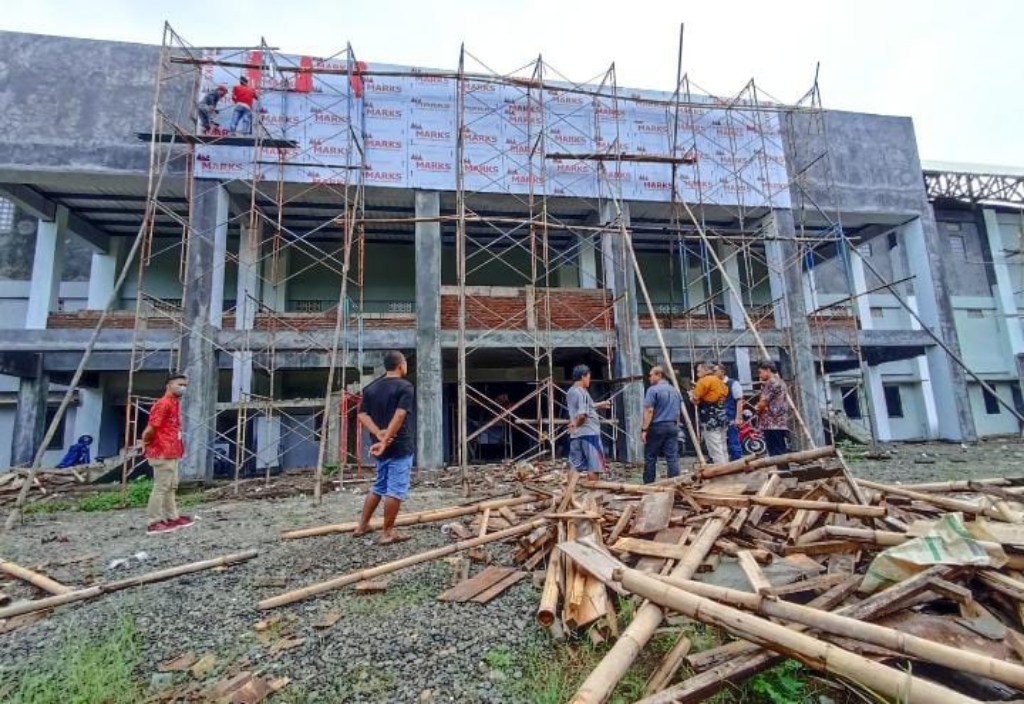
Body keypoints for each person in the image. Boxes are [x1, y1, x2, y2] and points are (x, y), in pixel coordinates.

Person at [354, 350, 416, 545]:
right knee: (395, 490)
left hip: (380, 447)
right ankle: (387, 532)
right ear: (400, 365)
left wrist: (379, 434)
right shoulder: (405, 387)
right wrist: (386, 437)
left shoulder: (371, 388)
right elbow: (399, 415)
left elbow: (362, 415)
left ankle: (362, 525)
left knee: (379, 486)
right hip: (399, 446)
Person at [140, 374, 194, 535]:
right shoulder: (163, 404)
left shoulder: (174, 403)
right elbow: (151, 428)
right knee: (161, 487)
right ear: (169, 385)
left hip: (172, 451)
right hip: (161, 451)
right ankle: (153, 521)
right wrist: (146, 442)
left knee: (171, 486)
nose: (183, 387)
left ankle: (172, 517)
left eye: (185, 385)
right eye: (180, 384)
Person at [566, 364, 611, 482]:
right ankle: (593, 497)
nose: (589, 380)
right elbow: (583, 415)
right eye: (588, 377)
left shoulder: (571, 391)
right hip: (589, 434)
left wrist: (600, 404)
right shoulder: (582, 392)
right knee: (594, 468)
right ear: (583, 377)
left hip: (575, 435)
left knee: (575, 467)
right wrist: (576, 424)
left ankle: (569, 496)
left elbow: (587, 407)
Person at [641, 365, 682, 483]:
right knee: (672, 457)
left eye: (651, 375)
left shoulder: (652, 390)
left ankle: (649, 484)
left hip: (657, 426)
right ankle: (674, 483)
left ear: (659, 375)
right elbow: (678, 412)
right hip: (672, 425)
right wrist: (677, 426)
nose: (649, 378)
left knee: (650, 457)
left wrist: (644, 429)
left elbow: (649, 411)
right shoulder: (675, 390)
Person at [688, 362, 729, 466]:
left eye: (699, 371)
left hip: (710, 418)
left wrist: (691, 395)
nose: (697, 374)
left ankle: (721, 472)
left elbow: (695, 399)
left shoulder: (703, 381)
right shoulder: (720, 381)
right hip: (722, 415)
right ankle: (728, 468)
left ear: (706, 371)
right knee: (723, 446)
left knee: (715, 449)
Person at [755, 361, 790, 457]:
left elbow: (763, 402)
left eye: (760, 372)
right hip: (779, 421)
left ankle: (781, 470)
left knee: (775, 451)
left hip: (771, 422)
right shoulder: (781, 382)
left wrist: (757, 408)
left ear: (768, 370)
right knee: (780, 448)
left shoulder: (771, 383)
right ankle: (783, 469)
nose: (760, 375)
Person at [715, 363, 746, 461]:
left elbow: (739, 400)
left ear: (722, 372)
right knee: (720, 443)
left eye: (715, 371)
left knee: (734, 441)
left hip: (731, 417)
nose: (713, 373)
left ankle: (738, 463)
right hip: (718, 418)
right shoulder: (715, 384)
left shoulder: (733, 383)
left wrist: (738, 417)